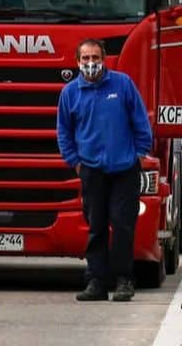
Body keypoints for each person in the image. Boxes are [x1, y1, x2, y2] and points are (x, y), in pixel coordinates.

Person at [56, 38, 152, 303]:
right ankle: (96, 282)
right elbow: (64, 132)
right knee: (95, 227)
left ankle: (123, 281)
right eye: (85, 59)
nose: (90, 63)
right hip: (91, 170)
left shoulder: (123, 84)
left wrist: (140, 154)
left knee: (123, 226)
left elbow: (140, 121)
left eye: (95, 57)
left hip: (124, 169)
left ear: (104, 59)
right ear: (77, 62)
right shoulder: (70, 93)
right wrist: (75, 162)